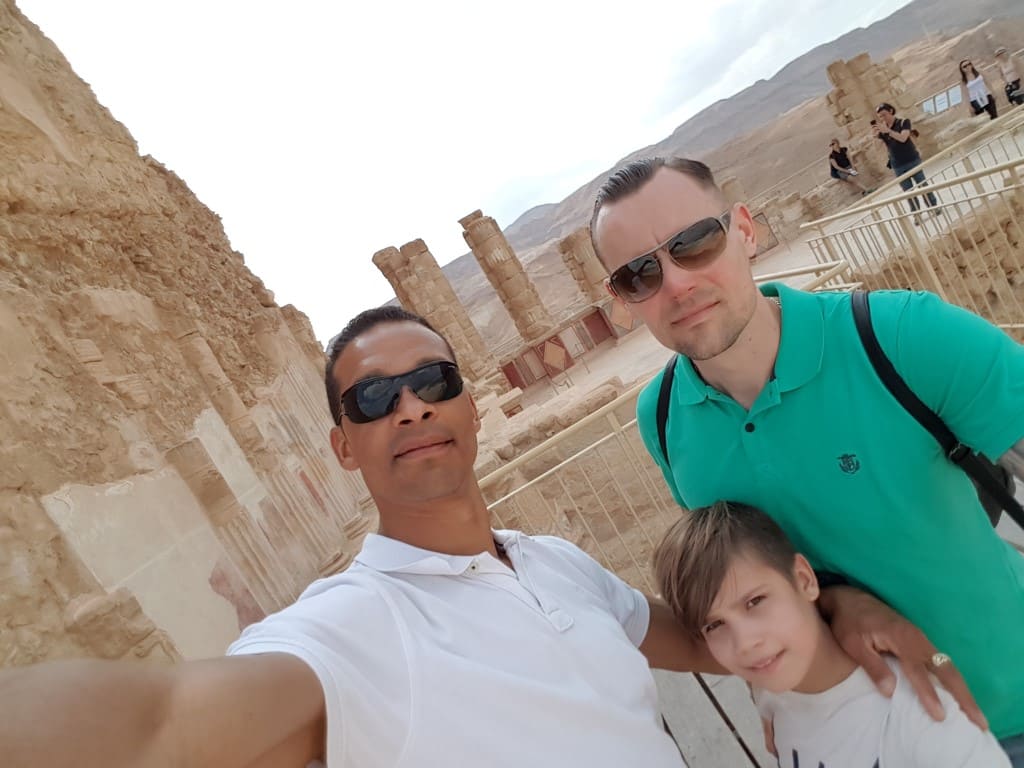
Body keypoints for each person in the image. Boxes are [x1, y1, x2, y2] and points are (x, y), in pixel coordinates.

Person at [588, 156, 1024, 764]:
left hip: (1006, 707)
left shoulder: (900, 335)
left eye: (693, 243)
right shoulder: (662, 419)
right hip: (858, 746)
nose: (677, 284)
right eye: (640, 274)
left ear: (744, 229)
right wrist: (820, 628)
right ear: (622, 301)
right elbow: (746, 575)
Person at [652, 501, 1011, 767]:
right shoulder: (771, 693)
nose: (746, 643)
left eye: (755, 601)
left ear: (804, 580)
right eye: (714, 625)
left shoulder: (921, 719)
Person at [873, 102, 938, 216]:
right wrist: (875, 136)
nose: (883, 118)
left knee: (922, 185)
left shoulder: (903, 122)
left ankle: (933, 206)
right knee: (908, 192)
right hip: (897, 165)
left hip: (912, 159)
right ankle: (916, 213)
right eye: (880, 117)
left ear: (891, 111)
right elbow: (878, 148)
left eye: (884, 115)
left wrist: (889, 131)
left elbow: (903, 138)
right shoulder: (883, 129)